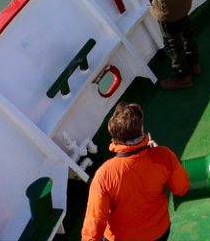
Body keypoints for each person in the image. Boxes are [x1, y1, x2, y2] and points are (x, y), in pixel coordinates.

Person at [81, 102, 189, 241]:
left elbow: (94, 224)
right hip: (158, 234)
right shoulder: (164, 156)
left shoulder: (104, 175)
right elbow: (182, 188)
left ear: (114, 138)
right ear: (141, 129)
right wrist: (157, 152)